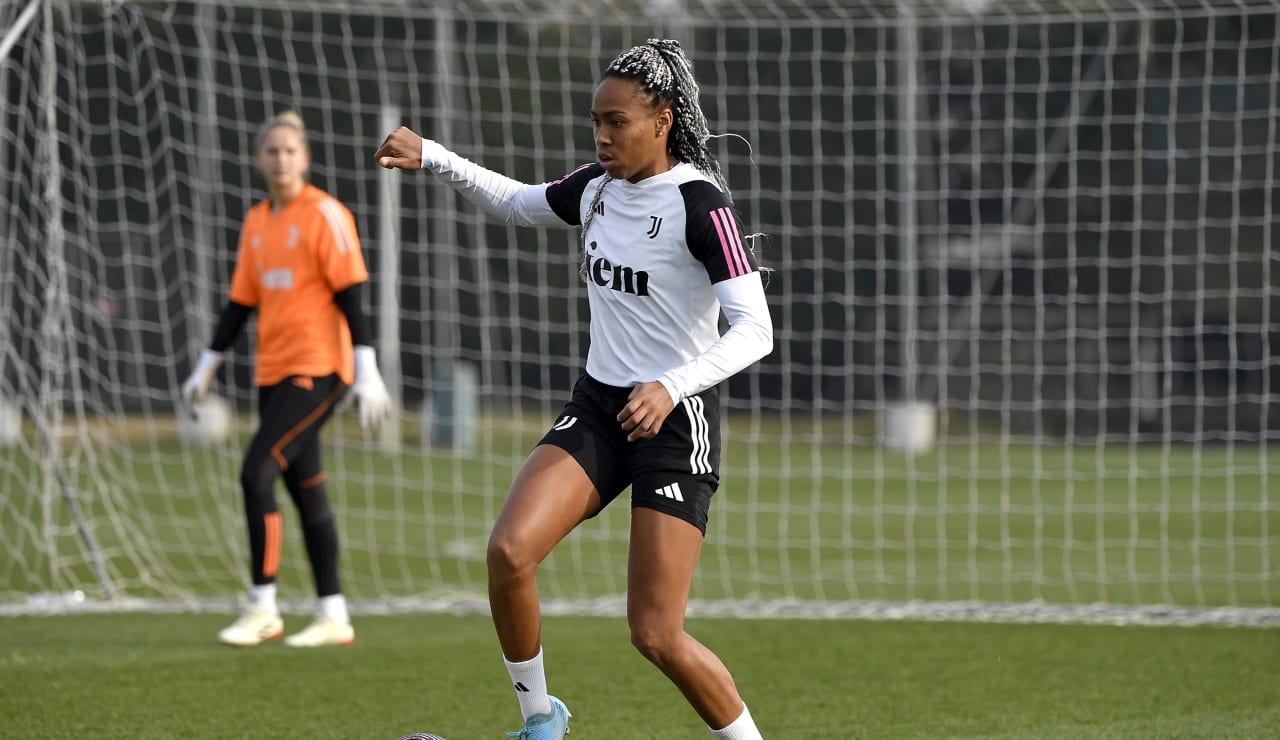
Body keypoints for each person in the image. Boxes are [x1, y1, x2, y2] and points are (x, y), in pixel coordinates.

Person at [375, 39, 772, 739]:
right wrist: (433, 155)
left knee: (655, 634)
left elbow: (755, 329)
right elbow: (517, 202)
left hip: (674, 427)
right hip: (598, 407)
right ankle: (541, 724)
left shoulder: (700, 205)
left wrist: (671, 387)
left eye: (617, 121)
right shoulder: (596, 188)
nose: (602, 134)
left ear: (663, 120)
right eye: (596, 120)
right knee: (508, 553)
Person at [182, 111, 393, 648]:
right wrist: (207, 364)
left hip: (320, 370)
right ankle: (333, 614)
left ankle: (263, 606)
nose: (280, 159)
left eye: (289, 151)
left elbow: (351, 297)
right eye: (271, 150)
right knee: (307, 491)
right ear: (259, 159)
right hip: (271, 372)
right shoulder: (257, 221)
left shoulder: (325, 214)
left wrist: (367, 373)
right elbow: (239, 304)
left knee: (255, 473)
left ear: (305, 158)